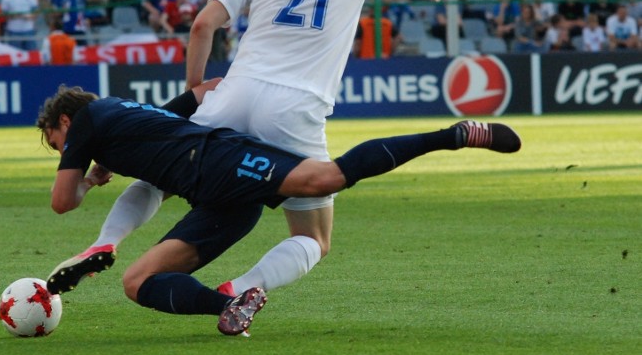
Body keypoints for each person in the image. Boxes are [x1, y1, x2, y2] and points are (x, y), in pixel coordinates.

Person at [48, 0, 535, 310]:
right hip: (294, 109)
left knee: (159, 174)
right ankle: (239, 290)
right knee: (314, 238)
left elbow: (202, 26)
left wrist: (198, 94)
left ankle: (106, 241)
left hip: (233, 95)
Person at [38, 85, 522, 335]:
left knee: (326, 177)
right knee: (135, 283)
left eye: (58, 144)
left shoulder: (89, 120)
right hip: (218, 199)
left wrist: (84, 178)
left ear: (66, 121)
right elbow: (208, 86)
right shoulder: (125, 114)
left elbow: (62, 201)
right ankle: (230, 304)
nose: (64, 152)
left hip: (220, 159)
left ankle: (453, 136)